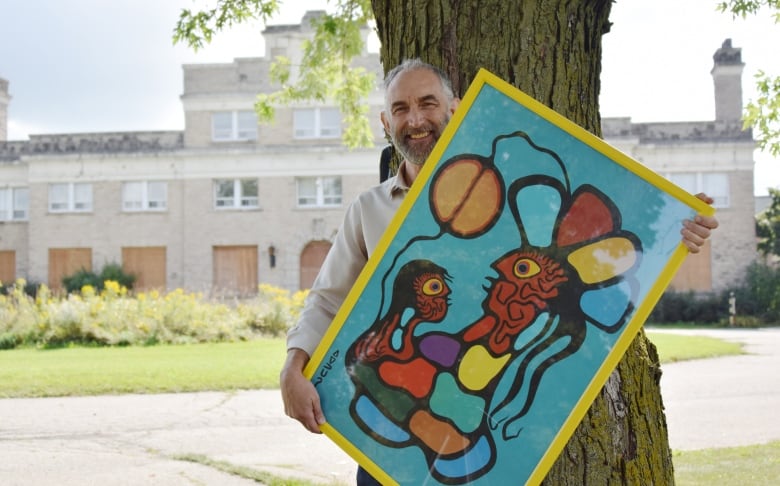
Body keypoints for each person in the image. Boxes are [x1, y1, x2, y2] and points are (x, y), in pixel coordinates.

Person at [280, 59, 719, 485]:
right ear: (385, 122)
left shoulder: (511, 189)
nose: (415, 119)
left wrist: (675, 224)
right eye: (400, 109)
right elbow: (328, 297)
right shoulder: (369, 209)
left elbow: (618, 218)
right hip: (387, 461)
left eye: (427, 103)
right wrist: (292, 368)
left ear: (454, 108)